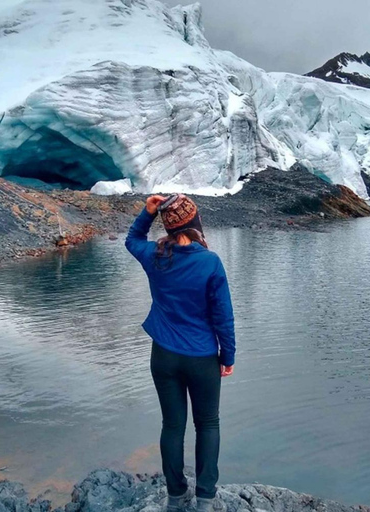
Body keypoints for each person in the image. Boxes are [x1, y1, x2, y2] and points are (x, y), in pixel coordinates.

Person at [125, 194, 236, 512]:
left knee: (172, 425)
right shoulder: (209, 262)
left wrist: (147, 213)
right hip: (201, 357)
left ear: (171, 227)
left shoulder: (154, 255)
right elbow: (222, 316)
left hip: (164, 356)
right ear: (194, 222)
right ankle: (204, 499)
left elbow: (132, 239)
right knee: (208, 424)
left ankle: (175, 496)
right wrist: (227, 357)